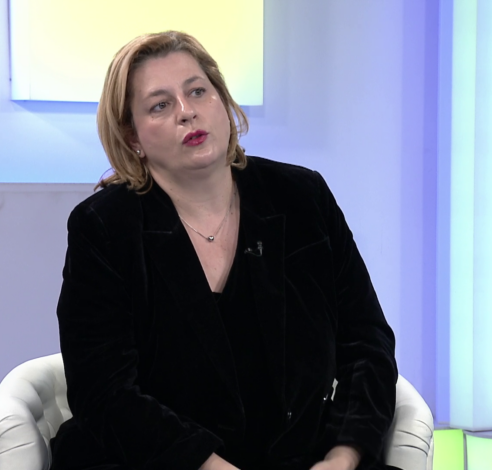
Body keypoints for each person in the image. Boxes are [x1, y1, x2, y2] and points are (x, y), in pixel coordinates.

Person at [50, 31, 398, 470]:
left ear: (223, 101)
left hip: (302, 458)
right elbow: (102, 390)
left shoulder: (301, 197)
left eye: (198, 91)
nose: (187, 111)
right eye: (160, 105)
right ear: (131, 135)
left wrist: (341, 457)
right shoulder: (104, 226)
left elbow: (367, 344)